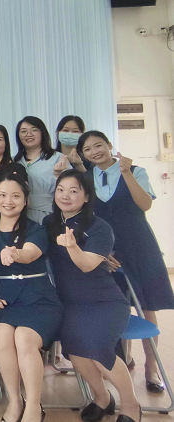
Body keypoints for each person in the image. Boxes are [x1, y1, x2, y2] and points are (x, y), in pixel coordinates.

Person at [78, 130, 174, 393]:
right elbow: (85, 218)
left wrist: (127, 173)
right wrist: (99, 250)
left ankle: (151, 368)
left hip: (138, 245)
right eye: (88, 149)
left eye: (99, 145)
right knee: (116, 305)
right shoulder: (86, 178)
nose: (95, 151)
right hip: (105, 249)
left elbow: (145, 205)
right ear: (83, 154)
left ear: (109, 145)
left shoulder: (135, 171)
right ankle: (125, 360)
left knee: (146, 305)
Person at [43, 170, 141, 422]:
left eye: (74, 191)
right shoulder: (49, 223)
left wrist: (72, 246)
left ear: (86, 197)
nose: (65, 195)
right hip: (70, 303)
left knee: (97, 348)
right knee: (75, 349)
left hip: (104, 302)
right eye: (61, 190)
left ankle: (131, 405)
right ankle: (102, 398)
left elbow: (86, 265)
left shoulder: (99, 227)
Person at [0, 172, 63, 422]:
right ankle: (15, 401)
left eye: (16, 196)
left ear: (25, 201)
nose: (8, 201)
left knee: (24, 338)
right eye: (2, 195)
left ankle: (34, 405)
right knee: (3, 336)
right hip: (4, 297)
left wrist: (15, 254)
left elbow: (30, 254)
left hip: (39, 298)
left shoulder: (36, 229)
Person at [14, 116, 71, 224]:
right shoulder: (13, 161)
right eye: (23, 131)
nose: (29, 134)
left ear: (42, 133)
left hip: (50, 214)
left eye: (34, 130)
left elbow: (71, 186)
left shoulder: (58, 158)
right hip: (19, 214)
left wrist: (59, 175)